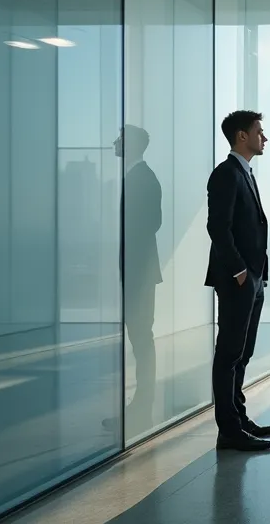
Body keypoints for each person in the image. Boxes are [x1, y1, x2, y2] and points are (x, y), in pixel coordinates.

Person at [206, 110, 270, 451]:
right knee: (229, 353)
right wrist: (239, 273)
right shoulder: (226, 174)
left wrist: (256, 275)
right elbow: (217, 228)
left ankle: (238, 417)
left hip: (253, 278)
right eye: (259, 132)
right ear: (241, 136)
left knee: (243, 352)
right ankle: (229, 430)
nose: (264, 138)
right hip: (238, 279)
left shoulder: (244, 173)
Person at [117, 125, 162, 433]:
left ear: (131, 144)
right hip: (139, 271)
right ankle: (141, 402)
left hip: (140, 273)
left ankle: (143, 403)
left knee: (141, 339)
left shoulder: (142, 178)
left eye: (120, 138)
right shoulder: (138, 176)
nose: (115, 142)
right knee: (140, 338)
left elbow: (151, 223)